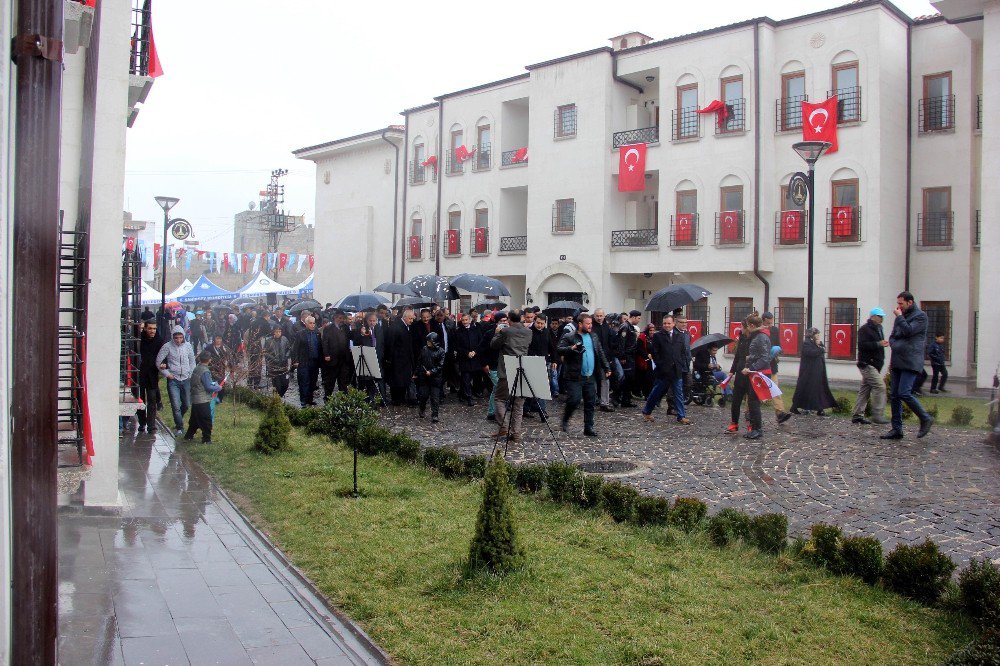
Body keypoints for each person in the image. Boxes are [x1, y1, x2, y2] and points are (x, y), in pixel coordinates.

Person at [881, 291, 934, 440]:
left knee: (904, 392)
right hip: (898, 360)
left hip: (911, 360)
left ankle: (925, 418)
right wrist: (894, 343)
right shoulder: (901, 317)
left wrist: (899, 318)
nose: (898, 307)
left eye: (901, 303)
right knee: (895, 395)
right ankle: (897, 429)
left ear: (909, 302)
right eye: (898, 303)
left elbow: (909, 331)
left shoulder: (920, 316)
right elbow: (893, 336)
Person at [558, 313, 611, 437]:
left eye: (591, 323)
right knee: (574, 400)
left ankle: (589, 427)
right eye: (588, 323)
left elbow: (600, 352)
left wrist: (606, 367)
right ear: (580, 324)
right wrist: (571, 348)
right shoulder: (570, 336)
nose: (590, 326)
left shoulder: (593, 336)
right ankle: (565, 418)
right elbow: (559, 349)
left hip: (590, 375)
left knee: (590, 402)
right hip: (574, 375)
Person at [641, 314, 692, 425]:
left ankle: (681, 416)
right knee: (657, 392)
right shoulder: (658, 336)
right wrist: (661, 365)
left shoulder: (679, 336)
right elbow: (655, 352)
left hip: (676, 369)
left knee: (678, 393)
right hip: (663, 371)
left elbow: (683, 352)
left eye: (669, 323)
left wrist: (682, 364)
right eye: (665, 323)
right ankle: (647, 411)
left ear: (673, 323)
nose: (667, 325)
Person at [490, 310, 532, 442]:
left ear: (509, 319)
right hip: (522, 368)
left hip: (507, 369)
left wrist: (497, 333)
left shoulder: (505, 331)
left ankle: (504, 427)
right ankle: (516, 433)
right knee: (518, 403)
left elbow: (494, 345)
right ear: (520, 318)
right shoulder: (528, 332)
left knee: (500, 399)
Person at [156, 326, 196, 437]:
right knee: (175, 404)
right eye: (176, 338)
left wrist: (191, 374)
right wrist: (167, 374)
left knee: (187, 404)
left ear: (183, 337)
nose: (178, 340)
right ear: (173, 338)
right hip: (173, 380)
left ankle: (179, 417)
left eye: (180, 337)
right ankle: (179, 427)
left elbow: (192, 361)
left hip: (186, 378)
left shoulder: (188, 346)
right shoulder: (167, 347)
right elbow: (158, 361)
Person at [852, 307, 889, 424]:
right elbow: (862, 345)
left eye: (882, 316)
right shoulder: (865, 329)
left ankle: (857, 415)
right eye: (879, 316)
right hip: (867, 364)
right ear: (873, 316)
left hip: (875, 365)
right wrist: (878, 344)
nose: (881, 318)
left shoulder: (879, 328)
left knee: (865, 390)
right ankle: (877, 415)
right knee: (880, 387)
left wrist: (881, 345)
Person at [790, 328, 837, 416]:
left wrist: (820, 346)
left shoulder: (817, 343)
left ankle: (820, 408)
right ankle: (796, 406)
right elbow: (810, 353)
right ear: (812, 335)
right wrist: (820, 349)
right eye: (817, 334)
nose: (818, 336)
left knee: (819, 389)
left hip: (818, 370)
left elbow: (823, 348)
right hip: (809, 372)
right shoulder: (807, 343)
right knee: (806, 389)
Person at [184, 351, 224, 443]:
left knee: (194, 420)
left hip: (195, 398)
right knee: (206, 420)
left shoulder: (197, 368)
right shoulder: (205, 371)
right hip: (202, 399)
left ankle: (189, 436)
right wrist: (218, 387)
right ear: (209, 360)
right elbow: (208, 386)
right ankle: (206, 439)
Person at [762, 312, 793, 424]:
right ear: (764, 320)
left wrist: (778, 350)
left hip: (772, 364)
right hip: (760, 365)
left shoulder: (774, 330)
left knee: (775, 389)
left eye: (772, 322)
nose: (770, 324)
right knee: (755, 390)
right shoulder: (758, 330)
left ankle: (780, 413)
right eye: (769, 322)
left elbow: (778, 344)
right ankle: (748, 411)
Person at [135, 320, 165, 433]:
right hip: (140, 374)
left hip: (152, 375)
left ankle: (151, 425)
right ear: (145, 329)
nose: (152, 331)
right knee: (140, 400)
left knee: (152, 400)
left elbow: (164, 355)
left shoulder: (159, 340)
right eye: (150, 328)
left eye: (154, 328)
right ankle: (142, 422)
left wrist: (163, 363)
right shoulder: (139, 339)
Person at [385, 308, 417, 406]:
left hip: (405, 359)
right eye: (410, 319)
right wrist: (390, 358)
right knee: (397, 380)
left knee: (403, 379)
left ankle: (401, 398)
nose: (412, 321)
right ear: (405, 317)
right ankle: (397, 399)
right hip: (397, 359)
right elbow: (390, 343)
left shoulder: (406, 326)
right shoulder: (396, 327)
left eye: (412, 319)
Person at [291, 316, 322, 406]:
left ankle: (310, 399)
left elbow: (319, 347)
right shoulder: (300, 334)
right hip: (304, 361)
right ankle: (303, 400)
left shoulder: (317, 333)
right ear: (306, 323)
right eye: (310, 323)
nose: (312, 325)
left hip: (314, 361)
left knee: (313, 381)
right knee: (304, 381)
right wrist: (295, 360)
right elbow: (295, 348)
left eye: (314, 323)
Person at [453, 312, 483, 406]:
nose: (465, 322)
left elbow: (480, 342)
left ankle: (463, 393)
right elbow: (457, 345)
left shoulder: (476, 330)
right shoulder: (458, 331)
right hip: (464, 358)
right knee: (466, 378)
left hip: (475, 358)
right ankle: (469, 397)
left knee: (474, 377)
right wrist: (466, 353)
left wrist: (475, 351)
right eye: (463, 320)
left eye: (466, 320)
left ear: (470, 320)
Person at [524, 314, 551, 420]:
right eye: (538, 323)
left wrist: (554, 359)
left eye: (542, 324)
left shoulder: (546, 331)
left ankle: (529, 409)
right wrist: (532, 355)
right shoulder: (529, 332)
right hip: (531, 362)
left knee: (539, 388)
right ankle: (541, 411)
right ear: (534, 322)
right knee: (535, 388)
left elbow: (550, 346)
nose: (540, 325)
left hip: (543, 362)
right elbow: (525, 347)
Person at [416, 332, 446, 422]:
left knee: (435, 397)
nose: (428, 342)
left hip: (435, 378)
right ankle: (422, 409)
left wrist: (432, 372)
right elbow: (420, 362)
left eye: (429, 341)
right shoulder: (424, 349)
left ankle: (435, 415)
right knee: (423, 396)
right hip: (424, 377)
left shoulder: (441, 351)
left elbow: (440, 365)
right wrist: (416, 373)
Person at [321, 310, 351, 400]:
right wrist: (326, 354)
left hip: (343, 358)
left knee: (343, 380)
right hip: (332, 358)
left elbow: (350, 338)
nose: (341, 320)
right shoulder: (328, 328)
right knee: (330, 380)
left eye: (342, 318)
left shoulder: (345, 327)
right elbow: (325, 342)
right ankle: (328, 396)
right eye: (339, 318)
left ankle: (343, 398)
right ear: (335, 318)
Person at [263, 326, 292, 397]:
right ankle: (277, 398)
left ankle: (279, 397)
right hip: (274, 367)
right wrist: (273, 359)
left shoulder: (284, 339)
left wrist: (286, 356)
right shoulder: (269, 341)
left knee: (285, 384)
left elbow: (289, 349)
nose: (278, 333)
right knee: (277, 385)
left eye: (280, 331)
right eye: (277, 332)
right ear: (274, 332)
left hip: (283, 366)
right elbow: (265, 352)